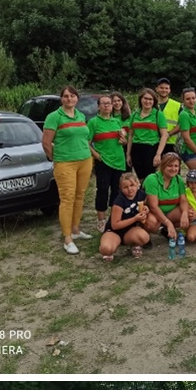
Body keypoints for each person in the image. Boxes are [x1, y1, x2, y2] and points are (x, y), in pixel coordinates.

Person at [40, 85, 93, 254]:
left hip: (84, 160)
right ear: (61, 99)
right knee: (67, 198)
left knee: (80, 196)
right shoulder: (54, 117)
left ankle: (76, 230)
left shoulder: (81, 115)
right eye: (66, 96)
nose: (69, 99)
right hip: (65, 162)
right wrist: (54, 158)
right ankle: (67, 238)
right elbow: (46, 143)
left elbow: (84, 137)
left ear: (77, 98)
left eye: (72, 96)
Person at [86, 94, 127, 235]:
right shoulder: (93, 123)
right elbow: (86, 142)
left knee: (117, 191)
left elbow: (123, 141)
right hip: (103, 161)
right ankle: (101, 220)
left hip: (119, 161)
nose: (106, 105)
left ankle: (114, 217)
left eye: (109, 103)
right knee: (103, 189)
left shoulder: (116, 121)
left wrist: (124, 141)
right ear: (98, 106)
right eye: (103, 103)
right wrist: (95, 154)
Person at [98, 171, 150, 260]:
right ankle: (111, 243)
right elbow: (115, 225)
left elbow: (145, 206)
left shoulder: (141, 195)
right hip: (114, 231)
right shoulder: (119, 201)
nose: (130, 189)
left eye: (132, 185)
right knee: (106, 249)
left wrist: (146, 209)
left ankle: (133, 244)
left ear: (138, 184)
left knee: (144, 237)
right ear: (121, 188)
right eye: (125, 187)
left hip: (130, 230)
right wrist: (135, 219)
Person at [141, 152, 185, 250]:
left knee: (189, 213)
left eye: (176, 166)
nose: (173, 169)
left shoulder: (178, 180)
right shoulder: (152, 179)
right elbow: (153, 206)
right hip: (152, 212)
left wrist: (185, 213)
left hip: (169, 212)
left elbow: (183, 200)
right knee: (152, 223)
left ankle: (165, 229)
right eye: (170, 165)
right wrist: (168, 222)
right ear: (162, 166)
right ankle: (145, 236)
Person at [126, 87, 168, 184]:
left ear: (154, 101)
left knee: (150, 178)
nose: (147, 101)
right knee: (140, 178)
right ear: (141, 99)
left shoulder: (158, 114)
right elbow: (130, 136)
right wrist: (128, 154)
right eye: (145, 98)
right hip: (136, 149)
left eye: (150, 99)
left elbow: (164, 135)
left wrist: (158, 155)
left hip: (151, 148)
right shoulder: (134, 115)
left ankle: (151, 198)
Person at [154, 77, 181, 151]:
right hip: (153, 141)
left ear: (170, 90)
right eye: (161, 88)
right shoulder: (151, 104)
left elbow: (182, 124)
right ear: (156, 89)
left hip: (171, 142)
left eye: (166, 88)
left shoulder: (177, 106)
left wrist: (168, 134)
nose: (164, 90)